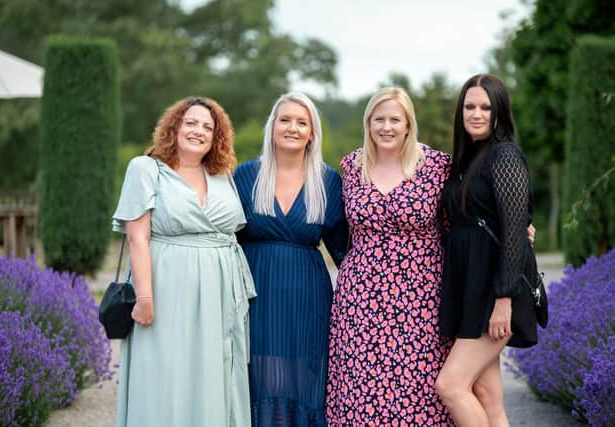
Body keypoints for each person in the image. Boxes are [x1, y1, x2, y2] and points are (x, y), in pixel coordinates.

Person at [112, 97, 256, 427]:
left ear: (216, 136)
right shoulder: (146, 168)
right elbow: (137, 237)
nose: (198, 131)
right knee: (165, 372)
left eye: (208, 127)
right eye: (191, 123)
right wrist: (145, 298)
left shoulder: (222, 176)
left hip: (219, 294)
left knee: (211, 372)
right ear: (174, 127)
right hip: (166, 285)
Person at [326, 87, 456, 426]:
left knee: (420, 386)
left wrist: (517, 227)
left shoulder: (436, 166)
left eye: (395, 119)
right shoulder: (352, 167)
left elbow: (461, 217)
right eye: (379, 119)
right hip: (361, 298)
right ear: (368, 123)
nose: (387, 127)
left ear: (408, 123)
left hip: (421, 296)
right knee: (362, 387)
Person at [234, 92, 348, 426]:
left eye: (302, 122)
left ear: (313, 133)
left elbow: (344, 249)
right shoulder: (245, 176)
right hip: (257, 291)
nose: (292, 128)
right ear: (272, 127)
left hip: (307, 295)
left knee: (303, 376)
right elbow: (225, 240)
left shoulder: (327, 181)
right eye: (285, 120)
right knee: (257, 372)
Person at [435, 74, 537, 427]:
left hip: (497, 292)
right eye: (469, 106)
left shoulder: (505, 154)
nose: (476, 114)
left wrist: (504, 298)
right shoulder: (464, 162)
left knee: (450, 385)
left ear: (499, 112)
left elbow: (513, 230)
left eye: (485, 107)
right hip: (470, 289)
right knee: (488, 397)